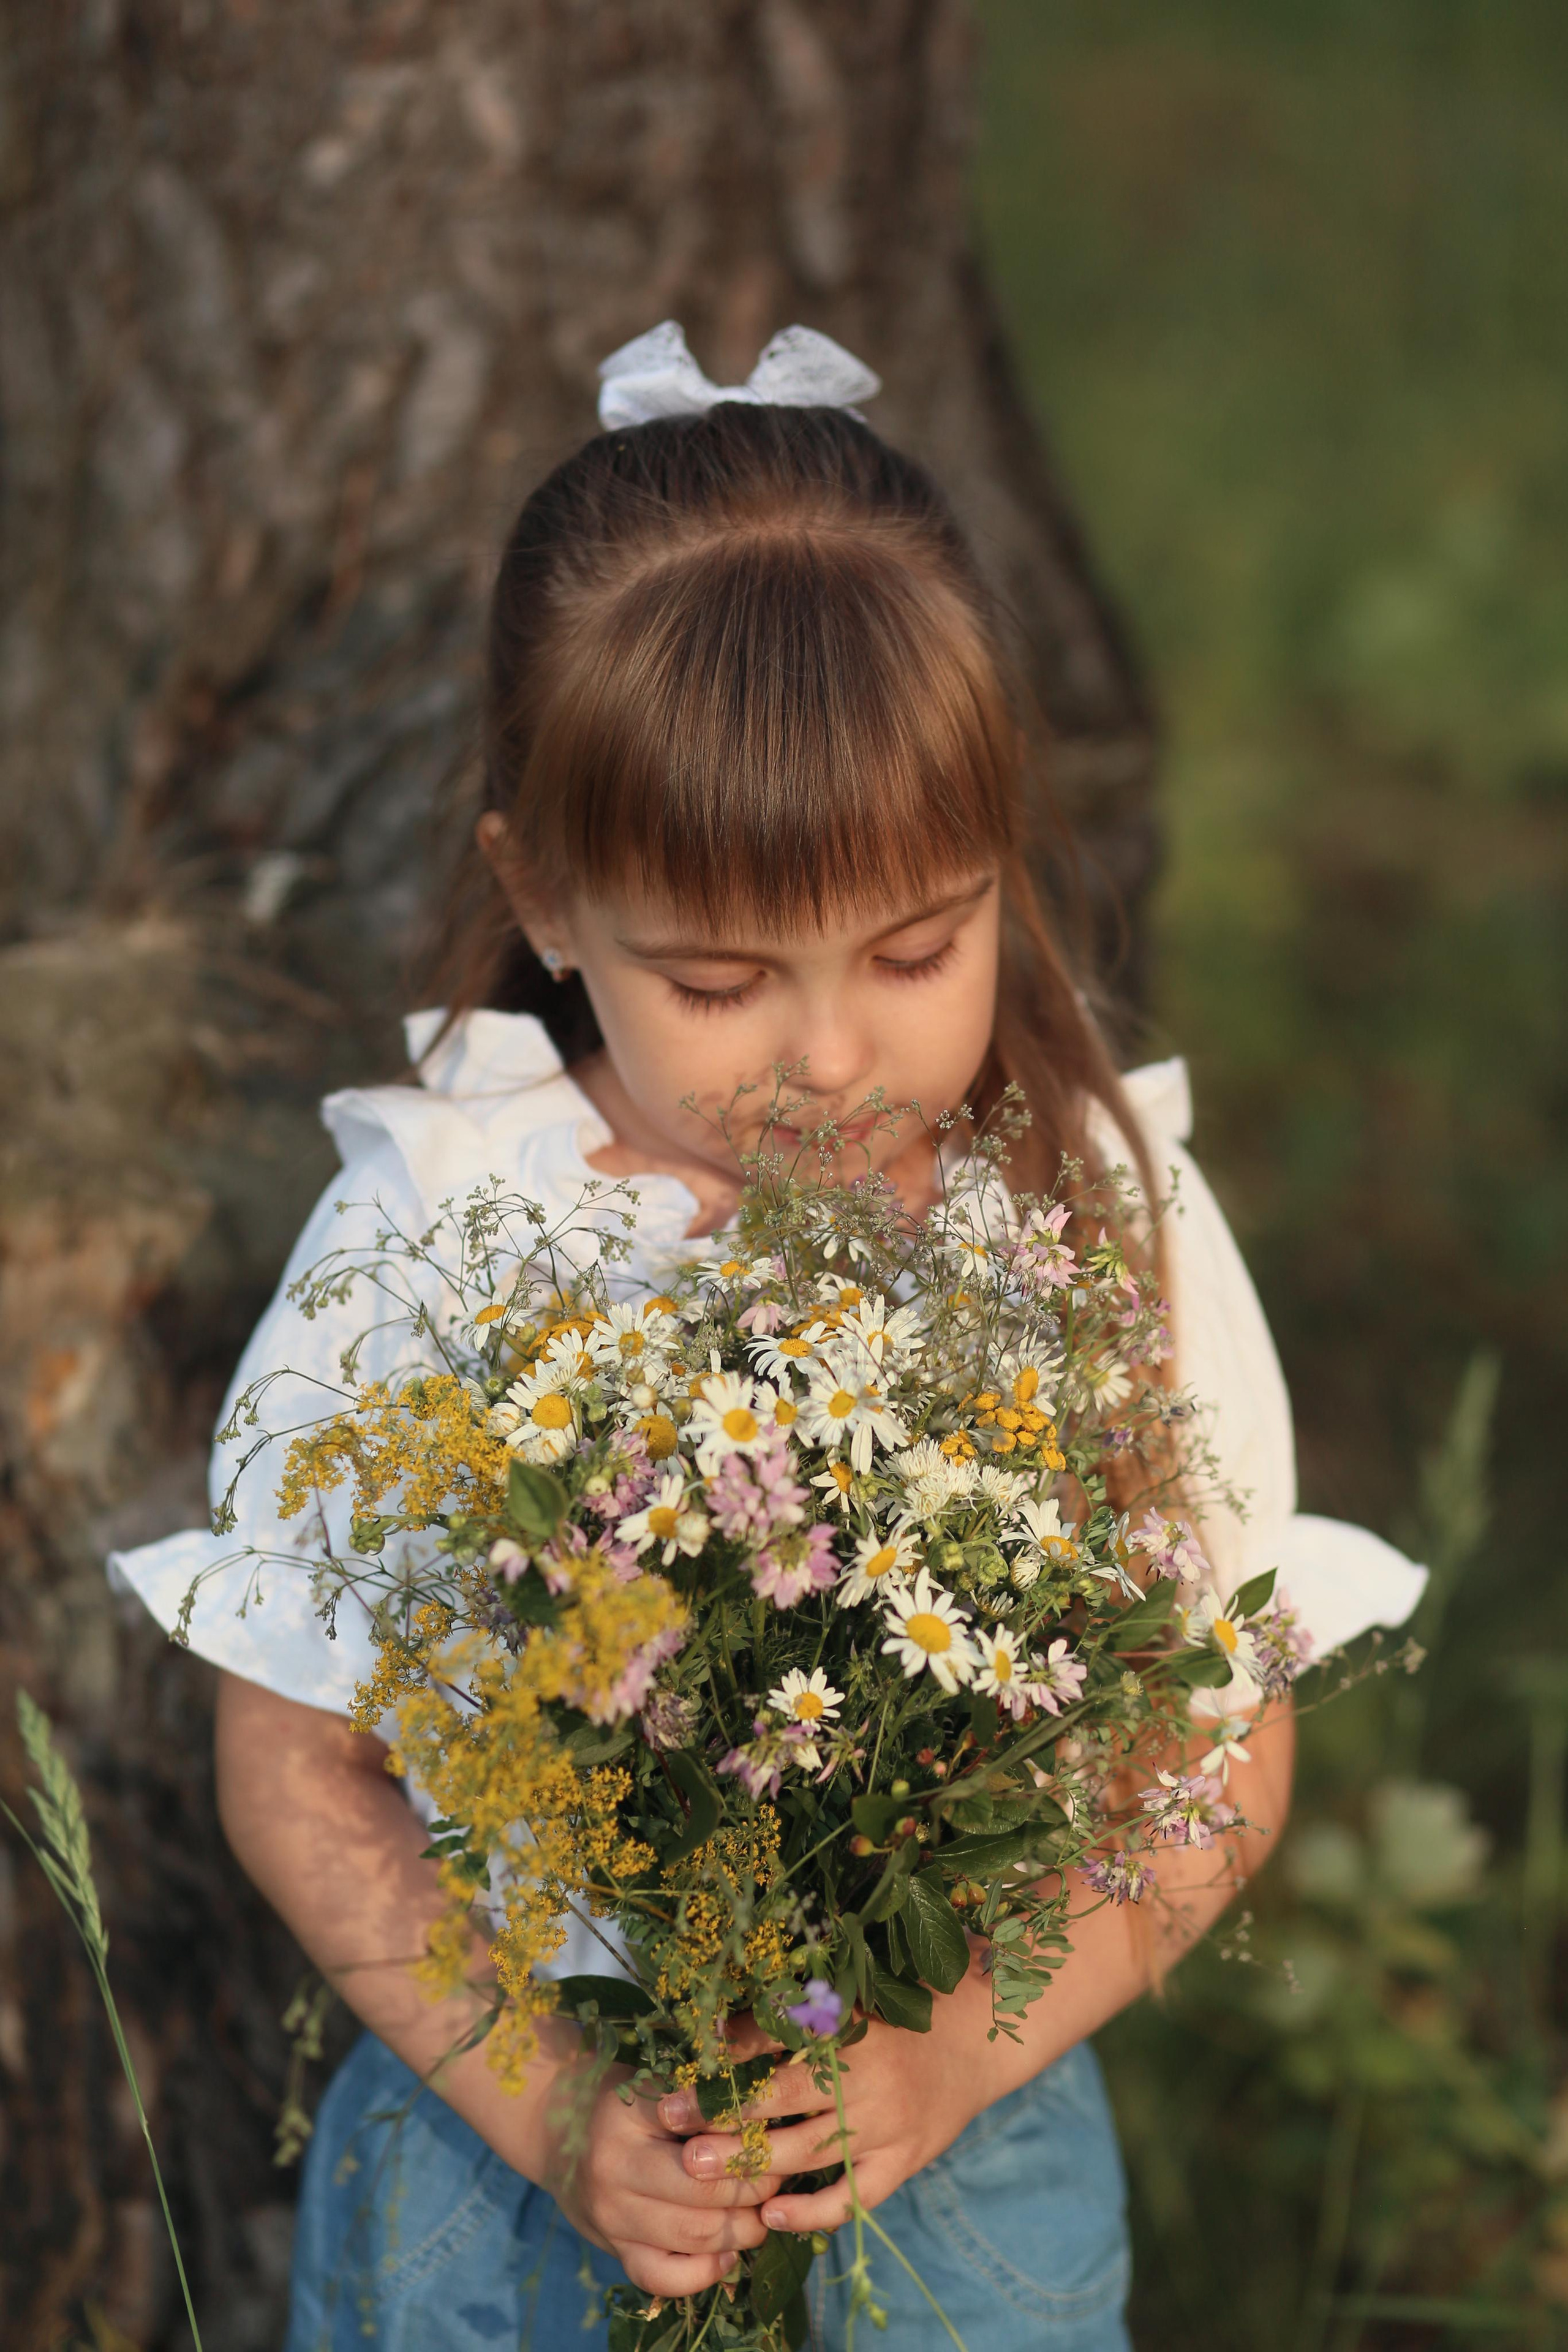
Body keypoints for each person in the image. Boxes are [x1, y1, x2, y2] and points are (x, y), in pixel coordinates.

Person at [111, 323, 1425, 2352]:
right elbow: (295, 1756)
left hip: (955, 2135)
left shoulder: (1080, 1208)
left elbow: (1216, 1752)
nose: (831, 1053)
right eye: (718, 979)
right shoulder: (447, 1221)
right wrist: (554, 2116)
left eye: (919, 948)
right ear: (543, 896)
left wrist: (958, 2055)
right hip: (503, 2135)